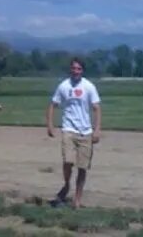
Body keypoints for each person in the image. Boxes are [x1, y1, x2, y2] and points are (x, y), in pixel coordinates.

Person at [46, 56, 101, 209]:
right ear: (70, 69)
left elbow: (96, 108)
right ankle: (66, 185)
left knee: (82, 168)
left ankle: (77, 199)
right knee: (68, 162)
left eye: (78, 69)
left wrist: (97, 129)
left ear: (82, 71)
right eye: (73, 68)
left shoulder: (89, 87)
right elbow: (52, 105)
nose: (75, 71)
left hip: (85, 132)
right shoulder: (64, 86)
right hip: (68, 129)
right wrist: (50, 125)